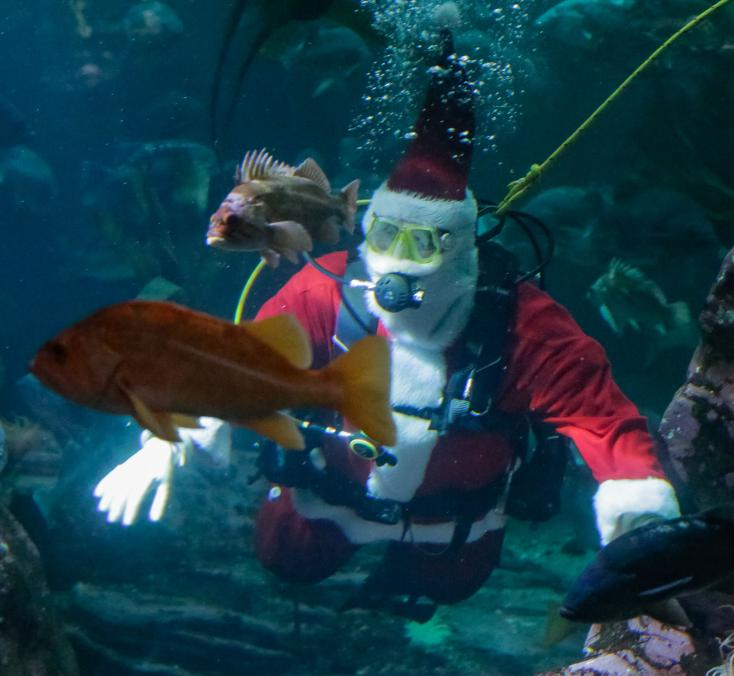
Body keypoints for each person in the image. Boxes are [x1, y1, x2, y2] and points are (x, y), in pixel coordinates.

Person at [93, 34, 680, 619]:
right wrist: (169, 433)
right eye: (383, 235)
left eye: (420, 242)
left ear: (458, 249)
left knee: (452, 586)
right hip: (328, 500)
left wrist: (638, 506)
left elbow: (599, 414)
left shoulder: (520, 321)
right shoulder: (328, 290)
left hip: (455, 525)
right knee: (282, 559)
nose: (396, 261)